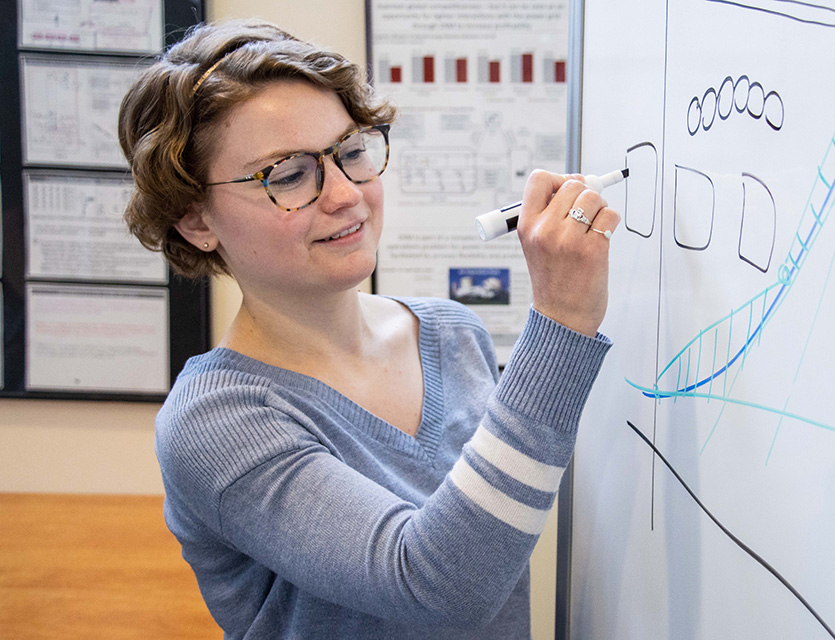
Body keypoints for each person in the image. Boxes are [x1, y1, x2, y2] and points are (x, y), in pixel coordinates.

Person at [118, 18, 620, 639]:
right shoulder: (216, 422)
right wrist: (561, 325)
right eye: (288, 174)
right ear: (197, 221)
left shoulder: (451, 333)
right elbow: (439, 586)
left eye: (351, 152)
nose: (345, 194)